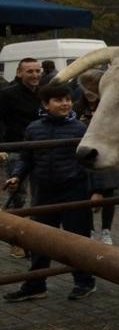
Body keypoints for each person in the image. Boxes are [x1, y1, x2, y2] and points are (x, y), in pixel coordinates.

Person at [3, 83, 96, 302]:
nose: (64, 104)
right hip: (44, 191)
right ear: (45, 104)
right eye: (58, 100)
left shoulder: (80, 129)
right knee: (39, 240)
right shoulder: (34, 129)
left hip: (74, 190)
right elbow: (27, 158)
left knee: (76, 239)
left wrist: (98, 191)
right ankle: (36, 285)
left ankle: (84, 282)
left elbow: (91, 162)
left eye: (67, 99)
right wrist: (17, 176)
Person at [74, 69, 119, 245]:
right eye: (86, 88)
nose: (90, 92)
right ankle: (90, 229)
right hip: (86, 158)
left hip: (107, 155)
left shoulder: (113, 108)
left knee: (109, 195)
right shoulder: (77, 108)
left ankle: (106, 230)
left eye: (93, 88)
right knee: (85, 195)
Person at [0, 58, 44, 259]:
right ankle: (15, 241)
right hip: (16, 149)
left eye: (37, 71)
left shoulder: (45, 92)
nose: (34, 75)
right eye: (30, 71)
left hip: (42, 150)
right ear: (19, 73)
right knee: (18, 196)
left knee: (40, 195)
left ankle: (35, 238)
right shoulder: (7, 94)